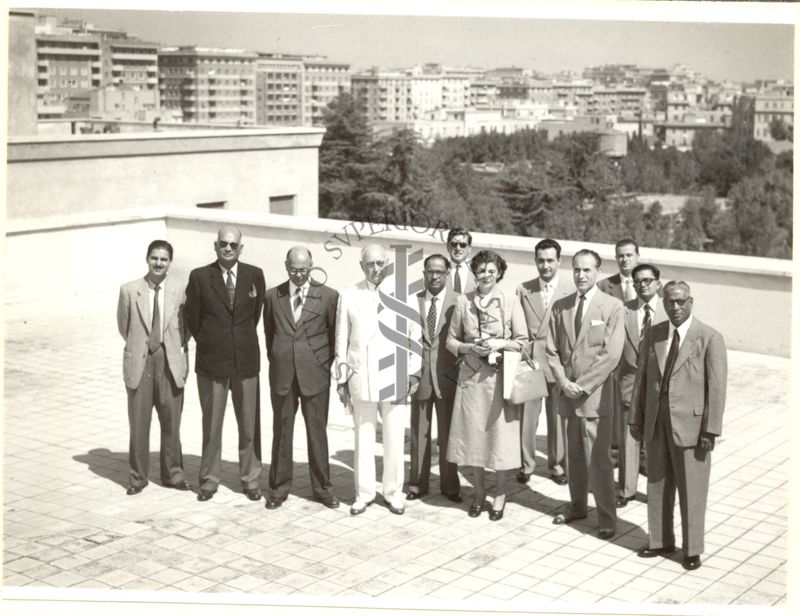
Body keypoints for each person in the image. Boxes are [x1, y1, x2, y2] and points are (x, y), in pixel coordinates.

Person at [630, 281, 727, 571]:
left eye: (681, 302)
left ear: (691, 302)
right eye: (670, 302)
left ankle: (692, 549)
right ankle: (660, 541)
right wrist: (636, 416)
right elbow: (641, 380)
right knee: (657, 484)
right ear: (664, 302)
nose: (676, 307)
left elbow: (717, 387)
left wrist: (710, 429)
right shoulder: (654, 334)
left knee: (692, 491)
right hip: (657, 425)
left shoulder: (709, 337)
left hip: (693, 429)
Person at [335, 243, 419, 516]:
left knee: (394, 438)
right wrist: (342, 377)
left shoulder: (404, 294)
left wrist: (413, 372)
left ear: (388, 264)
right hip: (361, 375)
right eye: (370, 264)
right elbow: (341, 340)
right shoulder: (349, 295)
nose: (376, 268)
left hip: (394, 374)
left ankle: (394, 492)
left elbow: (414, 337)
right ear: (362, 266)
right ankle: (364, 492)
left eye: (380, 263)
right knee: (364, 436)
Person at [546, 249, 624, 539]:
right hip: (567, 394)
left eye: (587, 270)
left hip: (595, 396)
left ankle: (607, 517)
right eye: (577, 270)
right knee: (575, 456)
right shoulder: (561, 306)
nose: (581, 275)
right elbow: (550, 349)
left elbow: (611, 353)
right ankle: (577, 506)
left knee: (598, 459)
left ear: (598, 271)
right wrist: (563, 381)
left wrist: (583, 385)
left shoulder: (612, 307)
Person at [185, 226, 266, 502]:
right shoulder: (199, 277)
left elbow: (253, 317)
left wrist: (236, 342)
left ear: (240, 248)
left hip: (245, 361)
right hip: (212, 364)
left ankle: (251, 479)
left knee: (249, 424)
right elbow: (193, 320)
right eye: (223, 244)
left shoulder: (255, 275)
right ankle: (208, 480)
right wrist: (214, 342)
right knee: (212, 425)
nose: (228, 248)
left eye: (233, 244)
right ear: (215, 246)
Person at [446, 249, 527, 521]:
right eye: (481, 271)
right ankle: (479, 493)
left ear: (499, 273)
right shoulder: (462, 301)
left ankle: (501, 493)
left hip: (500, 380)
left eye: (492, 271)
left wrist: (500, 343)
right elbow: (451, 341)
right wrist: (470, 347)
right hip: (471, 381)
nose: (486, 276)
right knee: (474, 439)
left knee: (500, 440)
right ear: (474, 273)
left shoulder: (511, 301)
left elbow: (523, 340)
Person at [263, 247, 339, 510]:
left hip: (315, 376)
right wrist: (279, 358)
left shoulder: (329, 296)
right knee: (281, 431)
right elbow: (269, 334)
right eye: (294, 269)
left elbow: (334, 337)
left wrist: (323, 366)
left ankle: (323, 489)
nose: (298, 274)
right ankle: (278, 488)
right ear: (286, 266)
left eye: (303, 270)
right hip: (282, 374)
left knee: (317, 432)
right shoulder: (273, 296)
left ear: (311, 266)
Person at [117, 240, 190, 495]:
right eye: (154, 258)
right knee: (139, 422)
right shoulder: (129, 290)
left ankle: (173, 474)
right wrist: (142, 348)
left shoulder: (180, 290)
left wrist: (172, 350)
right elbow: (124, 326)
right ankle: (137, 478)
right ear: (147, 259)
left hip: (169, 361)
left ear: (170, 262)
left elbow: (187, 328)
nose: (158, 263)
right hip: (141, 361)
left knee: (172, 420)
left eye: (164, 259)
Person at [516, 238, 571, 487]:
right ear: (535, 261)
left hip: (559, 362)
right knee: (527, 418)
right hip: (531, 362)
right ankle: (526, 464)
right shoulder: (524, 289)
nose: (545, 265)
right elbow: (517, 325)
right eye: (541, 260)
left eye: (550, 260)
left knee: (558, 417)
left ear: (559, 261)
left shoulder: (570, 291)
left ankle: (557, 465)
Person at [407, 254, 461, 503]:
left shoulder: (457, 302)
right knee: (420, 432)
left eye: (440, 272)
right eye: (430, 271)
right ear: (424, 273)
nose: (435, 276)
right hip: (420, 377)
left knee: (449, 433)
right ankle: (417, 483)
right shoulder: (413, 300)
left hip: (448, 378)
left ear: (447, 274)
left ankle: (450, 485)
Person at [615, 263, 666, 508]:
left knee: (656, 441)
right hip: (629, 384)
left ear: (658, 283)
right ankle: (626, 490)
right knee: (629, 438)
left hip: (659, 387)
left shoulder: (669, 311)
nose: (643, 284)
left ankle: (657, 493)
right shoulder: (623, 310)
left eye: (647, 280)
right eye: (638, 281)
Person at [597, 238, 640, 470]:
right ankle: (615, 453)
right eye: (621, 255)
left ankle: (641, 456)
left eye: (629, 255)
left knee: (639, 406)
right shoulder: (605, 286)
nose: (625, 259)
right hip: (614, 358)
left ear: (637, 256)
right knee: (614, 407)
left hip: (640, 359)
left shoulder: (650, 285)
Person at [446, 228, 476, 295]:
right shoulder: (440, 270)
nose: (458, 248)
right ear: (448, 247)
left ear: (469, 249)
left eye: (463, 245)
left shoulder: (477, 271)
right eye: (454, 244)